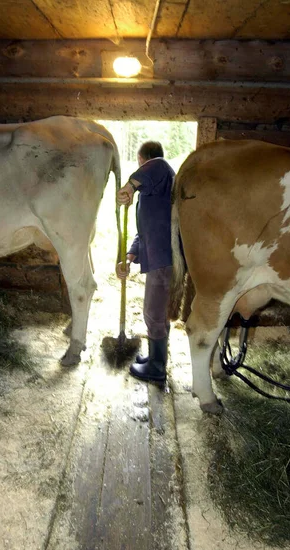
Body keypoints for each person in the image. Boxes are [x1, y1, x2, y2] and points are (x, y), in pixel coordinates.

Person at [116, 141, 175, 383]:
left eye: (140, 163)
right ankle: (154, 357)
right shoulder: (153, 194)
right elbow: (143, 233)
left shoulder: (161, 167)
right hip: (158, 256)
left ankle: (157, 368)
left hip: (163, 258)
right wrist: (128, 259)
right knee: (158, 312)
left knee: (153, 313)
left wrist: (129, 186)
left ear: (143, 160)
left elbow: (153, 167)